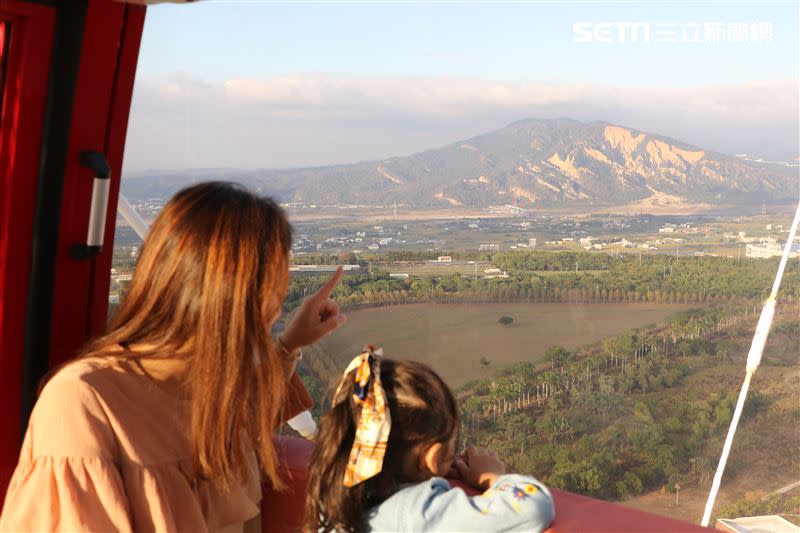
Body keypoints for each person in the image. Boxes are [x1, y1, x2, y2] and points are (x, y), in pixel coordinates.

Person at [0, 182, 347, 532]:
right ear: (226, 294)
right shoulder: (85, 402)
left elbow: (248, 412)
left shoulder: (211, 391)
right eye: (273, 288)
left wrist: (290, 344)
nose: (276, 306)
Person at [306, 349, 555, 533]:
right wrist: (493, 476)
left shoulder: (333, 496)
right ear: (433, 457)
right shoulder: (419, 514)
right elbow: (534, 507)